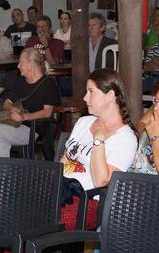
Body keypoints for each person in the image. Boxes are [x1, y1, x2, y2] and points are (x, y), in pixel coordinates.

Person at [0, 47, 60, 187]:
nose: (18, 66)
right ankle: (2, 183)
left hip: (32, 129)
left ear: (31, 64)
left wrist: (24, 117)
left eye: (21, 63)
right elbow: (7, 101)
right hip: (13, 125)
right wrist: (12, 109)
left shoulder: (48, 83)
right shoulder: (20, 81)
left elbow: (47, 112)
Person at [57, 69, 138, 231]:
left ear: (110, 96)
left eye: (91, 92)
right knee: (14, 209)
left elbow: (101, 181)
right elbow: (63, 162)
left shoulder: (125, 138)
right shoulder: (83, 122)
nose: (85, 98)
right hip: (62, 192)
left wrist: (99, 139)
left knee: (33, 218)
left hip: (89, 201)